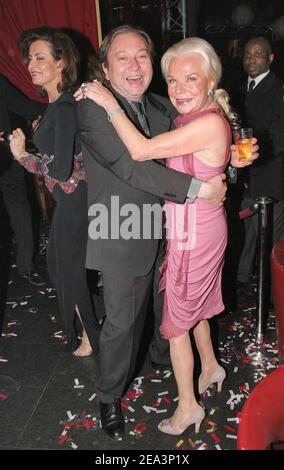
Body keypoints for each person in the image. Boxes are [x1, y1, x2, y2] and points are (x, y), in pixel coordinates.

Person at [75, 25, 257, 441]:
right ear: (105, 67)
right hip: (122, 227)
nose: (134, 65)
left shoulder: (163, 107)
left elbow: (196, 147)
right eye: (122, 57)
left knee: (169, 311)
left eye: (142, 55)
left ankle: (170, 364)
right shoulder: (92, 107)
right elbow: (132, 165)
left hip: (173, 230)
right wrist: (200, 187)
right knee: (123, 322)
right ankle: (108, 396)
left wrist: (229, 161)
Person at [8, 26, 100, 357]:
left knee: (69, 273)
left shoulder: (63, 107)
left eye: (40, 57)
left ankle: (92, 338)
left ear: (60, 63)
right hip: (70, 201)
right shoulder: (56, 105)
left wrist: (23, 157)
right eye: (30, 57)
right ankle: (88, 333)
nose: (31, 63)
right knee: (61, 268)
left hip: (75, 201)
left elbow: (61, 170)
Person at [232, 37, 284, 290]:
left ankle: (275, 294)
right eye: (248, 54)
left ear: (270, 58)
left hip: (271, 179)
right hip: (245, 178)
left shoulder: (279, 90)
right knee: (245, 235)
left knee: (272, 242)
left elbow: (279, 136)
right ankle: (241, 285)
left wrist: (251, 160)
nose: (252, 59)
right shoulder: (239, 90)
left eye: (258, 54)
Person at [0, 74, 46, 286]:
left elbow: (22, 106)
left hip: (6, 156)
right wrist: (54, 108)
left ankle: (26, 265)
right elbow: (23, 106)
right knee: (19, 206)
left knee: (19, 207)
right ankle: (26, 266)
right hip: (5, 155)